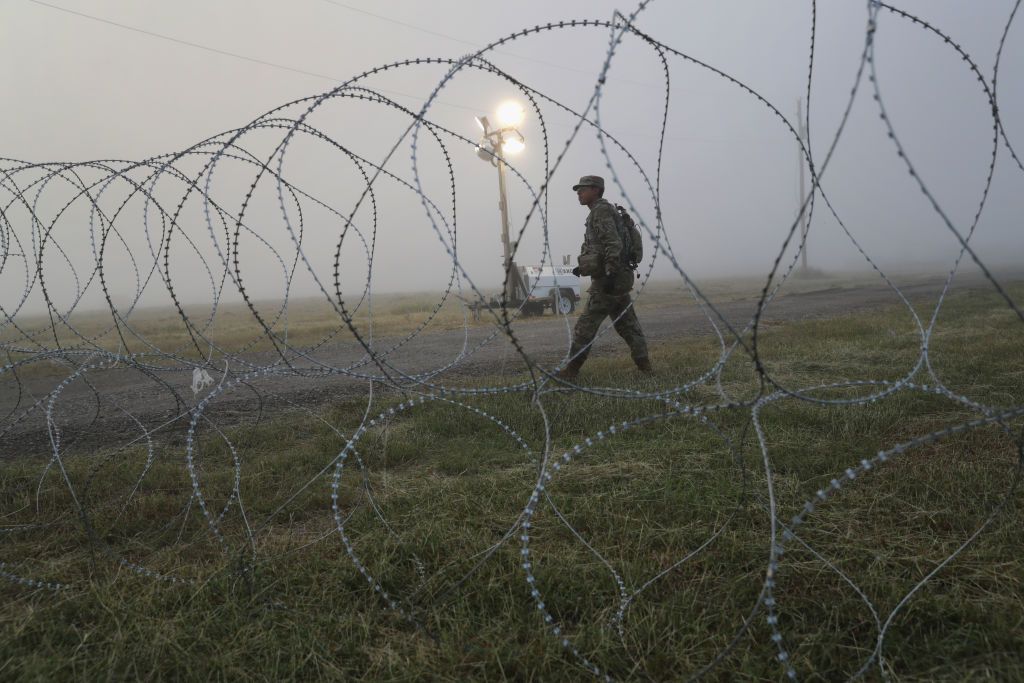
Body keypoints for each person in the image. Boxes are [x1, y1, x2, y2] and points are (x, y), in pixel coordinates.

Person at [556, 175, 652, 380]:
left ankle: (571, 370)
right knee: (628, 324)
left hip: (610, 279)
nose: (579, 193)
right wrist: (584, 268)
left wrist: (609, 272)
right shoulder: (602, 211)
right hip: (619, 277)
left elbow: (613, 243)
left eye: (583, 189)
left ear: (596, 190)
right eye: (578, 190)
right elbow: (601, 246)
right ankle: (645, 366)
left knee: (586, 325)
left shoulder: (600, 211)